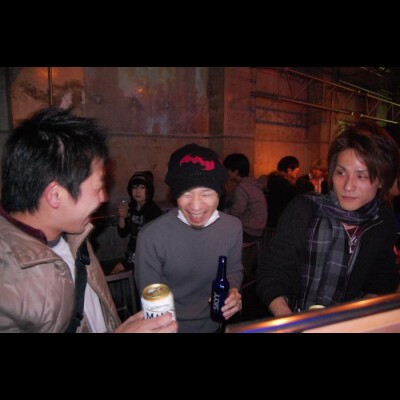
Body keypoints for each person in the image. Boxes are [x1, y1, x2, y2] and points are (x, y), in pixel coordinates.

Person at [0, 107, 177, 333]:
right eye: (98, 187)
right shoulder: (8, 289)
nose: (104, 197)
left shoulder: (76, 235)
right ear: (55, 195)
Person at [256, 120, 400, 317]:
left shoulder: (381, 219)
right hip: (295, 316)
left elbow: (383, 276)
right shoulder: (304, 209)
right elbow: (272, 272)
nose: (348, 185)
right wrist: (289, 320)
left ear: (382, 180)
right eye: (341, 172)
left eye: (362, 176)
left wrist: (362, 312)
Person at [135, 143, 244, 333]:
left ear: (219, 193)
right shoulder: (151, 236)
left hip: (216, 325)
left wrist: (233, 290)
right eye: (186, 194)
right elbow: (151, 299)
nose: (195, 206)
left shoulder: (232, 227)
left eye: (206, 193)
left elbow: (233, 270)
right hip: (170, 328)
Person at [109, 171, 162, 274]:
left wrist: (127, 264)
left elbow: (154, 244)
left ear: (148, 190)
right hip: (132, 255)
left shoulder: (153, 211)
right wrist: (122, 217)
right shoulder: (131, 207)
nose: (138, 191)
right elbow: (123, 233)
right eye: (134, 187)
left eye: (142, 187)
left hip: (147, 259)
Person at [222, 153, 267, 243]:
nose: (226, 173)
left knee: (218, 231)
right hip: (259, 229)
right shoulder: (252, 184)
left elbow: (236, 212)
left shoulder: (242, 188)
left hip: (249, 231)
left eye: (227, 170)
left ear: (236, 172)